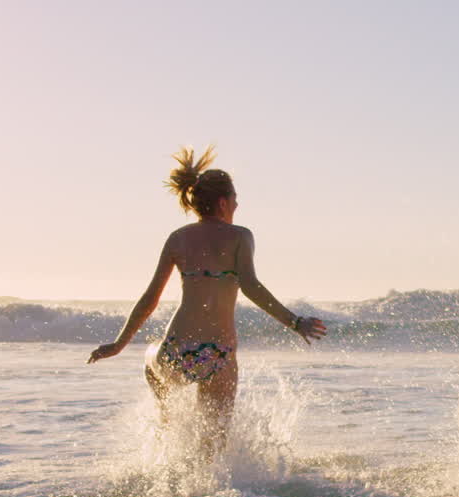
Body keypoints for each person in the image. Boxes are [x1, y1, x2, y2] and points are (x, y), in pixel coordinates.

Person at [88, 146, 326, 455]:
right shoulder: (241, 236)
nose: (238, 204)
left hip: (176, 352)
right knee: (212, 447)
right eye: (235, 199)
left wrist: (118, 344)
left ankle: (167, 431)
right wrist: (295, 322)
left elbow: (150, 298)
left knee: (150, 357)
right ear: (224, 202)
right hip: (218, 356)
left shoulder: (178, 238)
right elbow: (251, 286)